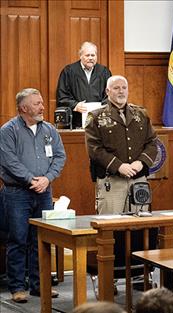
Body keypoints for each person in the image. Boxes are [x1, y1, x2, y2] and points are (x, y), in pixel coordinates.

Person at [0, 88, 66, 303]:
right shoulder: (8, 131)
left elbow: (59, 156)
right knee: (18, 240)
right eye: (37, 103)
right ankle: (18, 288)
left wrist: (47, 179)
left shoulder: (49, 129)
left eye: (41, 102)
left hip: (44, 193)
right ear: (24, 108)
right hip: (16, 193)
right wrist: (31, 179)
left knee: (41, 240)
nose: (42, 107)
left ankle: (40, 285)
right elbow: (9, 161)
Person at [85, 75, 158, 215]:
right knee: (110, 228)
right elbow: (94, 149)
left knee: (139, 228)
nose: (121, 91)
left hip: (138, 179)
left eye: (124, 88)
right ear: (107, 91)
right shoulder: (95, 117)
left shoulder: (141, 114)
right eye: (116, 88)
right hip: (111, 181)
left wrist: (141, 162)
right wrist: (118, 166)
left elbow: (152, 142)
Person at [56, 41, 112, 128]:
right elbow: (62, 97)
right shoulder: (69, 71)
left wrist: (101, 107)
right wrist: (75, 105)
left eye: (93, 55)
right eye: (87, 55)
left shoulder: (104, 72)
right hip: (76, 122)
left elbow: (110, 95)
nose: (90, 58)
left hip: (99, 122)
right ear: (80, 56)